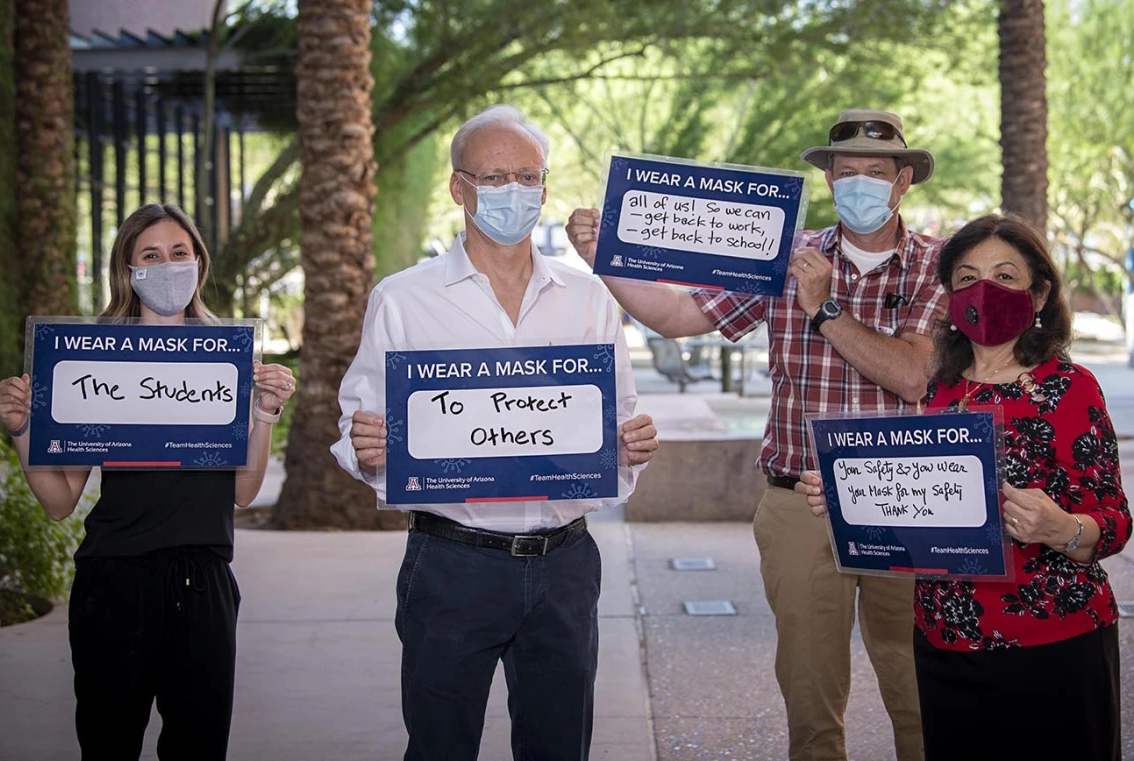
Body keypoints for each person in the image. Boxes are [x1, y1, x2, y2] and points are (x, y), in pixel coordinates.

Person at [566, 109, 944, 761]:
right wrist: (603, 256)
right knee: (811, 697)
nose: (859, 184)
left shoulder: (938, 266)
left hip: (907, 503)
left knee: (920, 691)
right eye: (845, 172)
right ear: (827, 179)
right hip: (799, 499)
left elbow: (912, 374)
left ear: (903, 179)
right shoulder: (784, 255)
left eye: (875, 173)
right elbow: (678, 313)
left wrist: (825, 308)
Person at [330, 104, 659, 761]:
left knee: (560, 746)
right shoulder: (403, 298)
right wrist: (367, 448)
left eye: (529, 177)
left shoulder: (588, 296)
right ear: (459, 188)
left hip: (565, 566)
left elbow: (615, 418)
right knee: (441, 745)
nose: (516, 192)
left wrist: (627, 445)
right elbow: (357, 423)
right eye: (496, 177)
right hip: (452, 566)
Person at [797, 214, 1129, 761]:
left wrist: (1062, 528)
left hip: (1051, 643)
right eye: (968, 277)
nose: (983, 291)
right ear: (949, 294)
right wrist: (842, 497)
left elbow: (1114, 522)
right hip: (944, 641)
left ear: (1039, 292)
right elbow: (918, 506)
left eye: (1004, 276)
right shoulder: (939, 388)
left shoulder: (1069, 388)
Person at [0, 204, 296, 761]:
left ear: (198, 263)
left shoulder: (229, 360)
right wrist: (21, 430)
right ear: (128, 271)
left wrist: (266, 412)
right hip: (113, 583)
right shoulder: (93, 359)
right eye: (150, 256)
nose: (167, 266)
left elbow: (243, 492)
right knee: (108, 747)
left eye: (179, 253)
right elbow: (60, 502)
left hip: (204, 586)